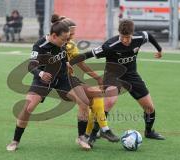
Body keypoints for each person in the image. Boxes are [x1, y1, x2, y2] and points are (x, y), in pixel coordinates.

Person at [70, 19, 165, 147]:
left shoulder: (139, 37)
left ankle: (149, 132)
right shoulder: (110, 46)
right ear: (119, 33)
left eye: (127, 37)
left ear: (132, 34)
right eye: (122, 37)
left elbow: (150, 36)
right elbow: (88, 54)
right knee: (109, 102)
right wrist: (69, 62)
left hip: (132, 75)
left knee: (149, 107)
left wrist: (159, 50)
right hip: (113, 76)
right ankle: (93, 134)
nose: (125, 40)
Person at [6, 18, 93, 151]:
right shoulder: (39, 46)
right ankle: (15, 141)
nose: (66, 42)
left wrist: (67, 64)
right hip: (43, 79)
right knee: (28, 108)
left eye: (67, 39)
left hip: (62, 78)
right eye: (63, 39)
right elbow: (31, 65)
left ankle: (81, 137)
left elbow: (62, 57)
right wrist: (41, 74)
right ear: (53, 36)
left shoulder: (63, 42)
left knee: (84, 102)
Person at [53, 14, 119, 149]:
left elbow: (80, 63)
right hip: (59, 82)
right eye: (70, 34)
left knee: (96, 96)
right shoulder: (55, 44)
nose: (71, 37)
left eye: (73, 34)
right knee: (86, 102)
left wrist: (97, 78)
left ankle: (91, 134)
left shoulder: (70, 45)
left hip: (70, 79)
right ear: (62, 33)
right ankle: (93, 133)